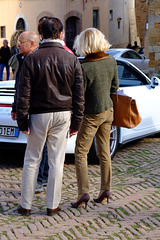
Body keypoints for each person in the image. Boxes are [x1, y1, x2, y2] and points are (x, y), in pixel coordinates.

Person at [16, 17, 84, 216]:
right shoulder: (71, 58)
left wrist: (22, 120)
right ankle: (52, 205)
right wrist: (77, 121)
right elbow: (79, 94)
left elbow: (23, 93)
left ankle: (26, 205)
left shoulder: (32, 58)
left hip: (39, 114)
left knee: (31, 160)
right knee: (56, 161)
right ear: (61, 34)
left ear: (42, 35)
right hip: (63, 113)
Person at [71, 28, 119, 208]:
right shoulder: (111, 60)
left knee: (81, 153)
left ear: (84, 44)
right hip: (108, 111)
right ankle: (106, 189)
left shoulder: (85, 67)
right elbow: (115, 86)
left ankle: (83, 193)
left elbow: (80, 96)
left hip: (91, 115)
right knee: (104, 152)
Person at [10, 31, 48, 193]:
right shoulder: (22, 59)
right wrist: (14, 107)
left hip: (38, 109)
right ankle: (43, 177)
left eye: (21, 42)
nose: (18, 44)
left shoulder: (38, 60)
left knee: (40, 147)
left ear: (32, 44)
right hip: (27, 107)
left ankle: (40, 179)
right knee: (39, 146)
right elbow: (19, 86)